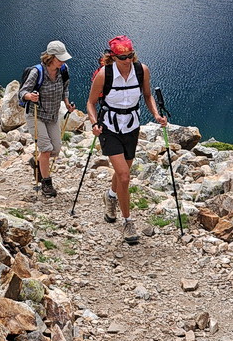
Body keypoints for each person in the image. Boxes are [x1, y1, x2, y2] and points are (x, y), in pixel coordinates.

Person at [87, 35, 166, 245]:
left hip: (131, 126)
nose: (128, 60)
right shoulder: (105, 74)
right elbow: (91, 103)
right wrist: (94, 123)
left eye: (131, 55)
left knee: (124, 172)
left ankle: (110, 197)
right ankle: (128, 221)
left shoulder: (142, 70)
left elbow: (147, 95)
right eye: (123, 57)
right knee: (124, 176)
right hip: (110, 127)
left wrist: (156, 115)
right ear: (113, 57)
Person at [19, 41, 75, 198]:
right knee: (46, 149)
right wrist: (30, 96)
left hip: (52, 115)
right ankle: (46, 184)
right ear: (50, 57)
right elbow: (22, 92)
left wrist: (67, 103)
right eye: (60, 58)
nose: (63, 61)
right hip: (35, 114)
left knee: (55, 149)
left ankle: (37, 163)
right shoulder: (37, 72)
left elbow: (65, 89)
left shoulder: (63, 70)